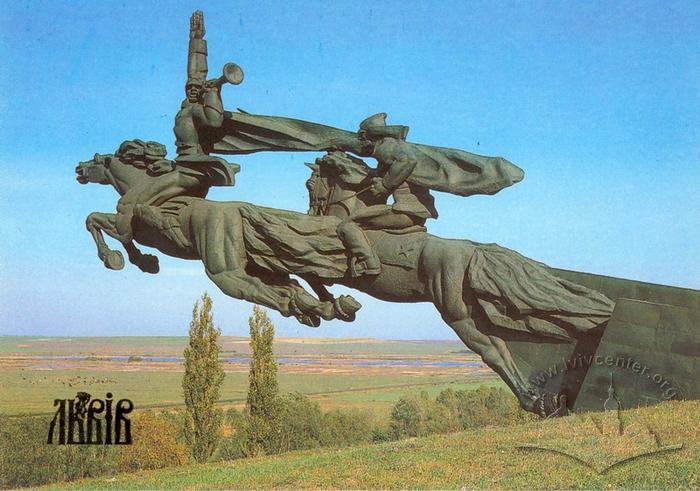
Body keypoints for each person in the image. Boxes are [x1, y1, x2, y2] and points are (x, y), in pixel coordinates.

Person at [337, 113, 438, 276]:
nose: (362, 142)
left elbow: (408, 161)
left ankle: (369, 263)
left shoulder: (386, 148)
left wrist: (384, 185)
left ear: (368, 136)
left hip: (405, 212)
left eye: (362, 137)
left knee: (347, 225)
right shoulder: (395, 150)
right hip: (416, 213)